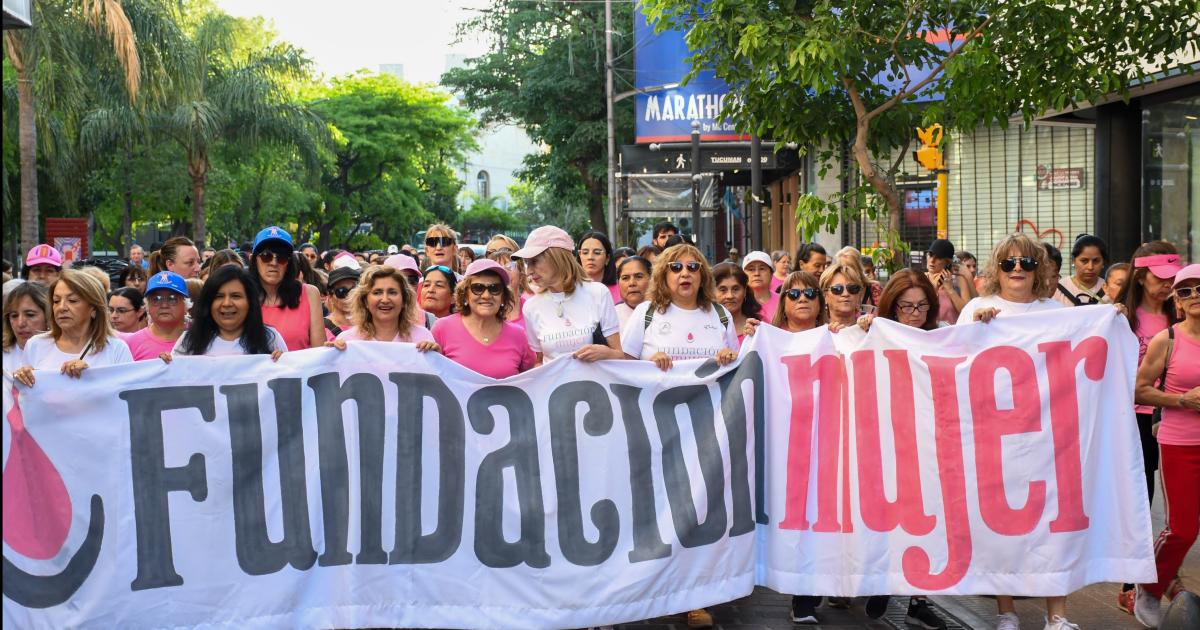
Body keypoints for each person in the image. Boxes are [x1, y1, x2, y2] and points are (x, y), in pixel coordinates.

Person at [955, 234, 1078, 630]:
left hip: (1047, 435)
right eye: (1009, 263)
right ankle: (1006, 611)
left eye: (1026, 262)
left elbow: (1080, 348)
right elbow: (953, 359)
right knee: (1001, 526)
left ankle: (1057, 615)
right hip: (995, 436)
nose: (1018, 269)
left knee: (1052, 523)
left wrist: (1112, 317)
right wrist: (976, 328)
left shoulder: (1053, 311)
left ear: (1039, 268)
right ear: (997, 269)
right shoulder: (977, 308)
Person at [841, 268, 948, 630]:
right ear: (892, 306)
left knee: (928, 521)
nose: (914, 314)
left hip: (929, 444)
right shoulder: (875, 333)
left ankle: (918, 600)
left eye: (922, 306)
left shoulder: (941, 337)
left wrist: (981, 320)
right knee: (888, 517)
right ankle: (884, 580)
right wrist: (863, 331)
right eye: (906, 306)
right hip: (885, 440)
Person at [1114, 242, 1183, 612]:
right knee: (1140, 498)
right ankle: (1132, 584)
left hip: (1173, 416)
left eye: (1173, 279)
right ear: (1140, 276)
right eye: (1160, 279)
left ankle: (1161, 574)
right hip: (1130, 417)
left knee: (1172, 503)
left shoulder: (1180, 314)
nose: (1167, 286)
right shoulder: (1122, 316)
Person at [1132, 263, 1200, 629]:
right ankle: (1149, 588)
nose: (1194, 296)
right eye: (1185, 290)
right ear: (1177, 300)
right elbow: (1140, 390)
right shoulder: (1167, 339)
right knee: (1182, 529)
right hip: (1181, 444)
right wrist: (1182, 400)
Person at [514, 225, 623, 364]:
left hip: (594, 378)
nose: (529, 271)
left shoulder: (598, 293)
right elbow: (539, 361)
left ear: (557, 257)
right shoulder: (531, 307)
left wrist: (605, 353)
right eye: (527, 263)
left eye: (534, 261)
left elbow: (620, 356)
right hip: (554, 379)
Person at [12, 269, 132, 386]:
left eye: (72, 300)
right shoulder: (35, 345)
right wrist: (23, 378)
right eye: (56, 301)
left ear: (94, 309)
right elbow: (25, 396)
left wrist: (90, 376)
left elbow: (129, 394)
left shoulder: (116, 349)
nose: (61, 307)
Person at [432, 259, 534, 378]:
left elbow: (530, 379)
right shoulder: (442, 328)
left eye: (495, 288)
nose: (486, 295)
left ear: (503, 297)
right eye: (478, 288)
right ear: (465, 294)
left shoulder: (518, 335)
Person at [168, 265, 286, 358]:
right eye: (219, 296)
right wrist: (165, 364)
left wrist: (283, 363)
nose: (227, 303)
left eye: (236, 296)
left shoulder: (270, 339)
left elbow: (288, 377)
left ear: (250, 302)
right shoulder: (189, 341)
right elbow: (173, 378)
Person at [249, 226, 324, 351]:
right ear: (253, 259)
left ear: (289, 262)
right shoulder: (243, 296)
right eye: (266, 256)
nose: (273, 263)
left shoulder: (309, 294)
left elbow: (320, 352)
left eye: (281, 257)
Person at [329, 265, 439, 349]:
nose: (385, 299)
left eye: (392, 292)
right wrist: (331, 355)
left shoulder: (422, 337)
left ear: (404, 300)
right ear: (365, 301)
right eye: (377, 293)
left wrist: (434, 356)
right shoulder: (347, 341)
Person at [125, 271, 189, 361]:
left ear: (186, 305)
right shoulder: (131, 343)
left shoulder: (202, 340)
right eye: (156, 299)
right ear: (147, 305)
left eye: (172, 299)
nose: (164, 305)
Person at [712, 261, 763, 345]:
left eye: (735, 289)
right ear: (711, 292)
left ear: (745, 291)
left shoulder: (759, 325)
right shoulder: (703, 326)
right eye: (723, 290)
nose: (730, 296)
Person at [925, 239, 973, 324]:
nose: (932, 260)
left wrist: (950, 290)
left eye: (938, 257)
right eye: (930, 255)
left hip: (952, 330)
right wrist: (933, 290)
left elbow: (967, 312)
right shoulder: (921, 278)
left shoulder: (958, 280)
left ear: (948, 262)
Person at [3, 282, 49, 369]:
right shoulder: (5, 354)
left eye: (30, 315)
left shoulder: (63, 353)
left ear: (48, 316)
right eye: (14, 316)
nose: (20, 323)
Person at [1053, 234, 1109, 306]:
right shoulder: (1056, 290)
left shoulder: (1110, 290)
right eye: (1084, 261)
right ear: (1073, 261)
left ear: (1103, 262)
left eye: (1096, 261)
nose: (1090, 267)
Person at [578, 230, 621, 304]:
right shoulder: (570, 289)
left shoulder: (621, 291)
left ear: (607, 258)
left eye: (597, 253)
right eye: (585, 253)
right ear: (579, 256)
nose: (590, 257)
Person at [821, 262, 868, 329]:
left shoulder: (872, 326)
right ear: (824, 295)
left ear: (859, 294)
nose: (846, 294)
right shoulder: (815, 331)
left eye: (852, 288)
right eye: (837, 289)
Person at [742, 251, 780, 321]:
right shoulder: (739, 303)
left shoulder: (782, 301)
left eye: (762, 269)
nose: (757, 273)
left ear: (771, 274)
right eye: (751, 269)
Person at [323, 266, 360, 339]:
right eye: (341, 291)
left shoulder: (372, 324)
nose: (349, 296)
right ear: (330, 297)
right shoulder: (322, 328)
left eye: (354, 290)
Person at [615, 256, 652, 328]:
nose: (632, 283)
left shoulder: (666, 312)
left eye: (639, 276)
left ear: (652, 279)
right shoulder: (610, 316)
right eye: (625, 278)